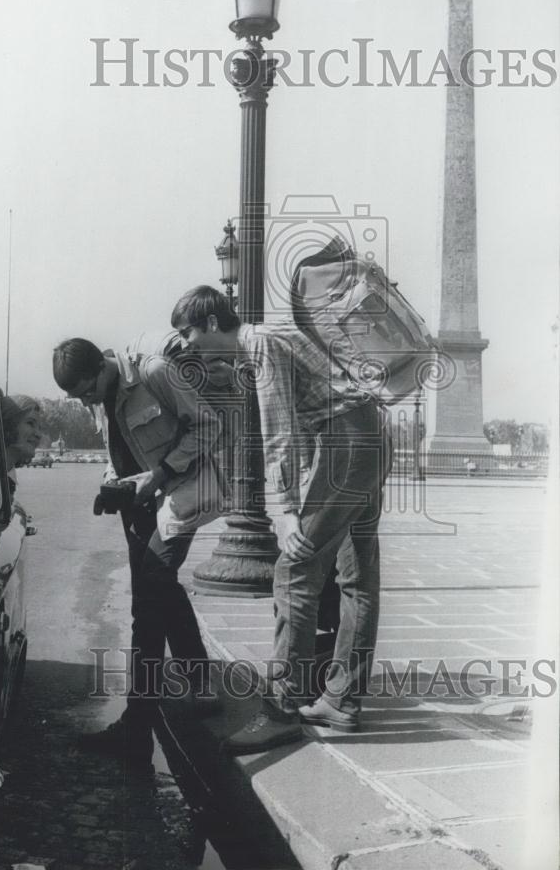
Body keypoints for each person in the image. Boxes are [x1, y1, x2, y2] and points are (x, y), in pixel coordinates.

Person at [170, 286, 392, 752]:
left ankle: (280, 711)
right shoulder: (269, 339)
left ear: (211, 323)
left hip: (348, 443)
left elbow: (280, 430)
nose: (185, 343)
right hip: (371, 434)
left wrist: (287, 510)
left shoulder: (261, 344)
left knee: (294, 572)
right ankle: (341, 700)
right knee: (356, 577)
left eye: (187, 331)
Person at [52, 337, 222, 774]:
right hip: (139, 504)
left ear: (101, 369)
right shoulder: (95, 394)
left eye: (87, 392)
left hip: (180, 495)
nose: (86, 401)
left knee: (149, 599)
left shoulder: (154, 373)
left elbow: (208, 426)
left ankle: (137, 725)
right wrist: (112, 485)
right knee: (154, 594)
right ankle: (197, 678)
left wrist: (161, 473)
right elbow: (117, 453)